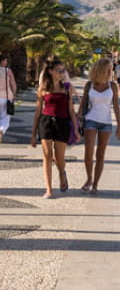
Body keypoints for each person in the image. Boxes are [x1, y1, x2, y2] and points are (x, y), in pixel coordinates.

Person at [31, 57, 78, 198]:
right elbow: (38, 112)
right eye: (59, 71)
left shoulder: (67, 88)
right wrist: (33, 134)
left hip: (62, 123)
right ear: (51, 71)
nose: (62, 73)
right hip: (46, 122)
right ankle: (49, 189)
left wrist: (75, 129)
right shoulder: (43, 89)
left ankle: (62, 172)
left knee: (59, 158)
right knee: (47, 156)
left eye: (63, 71)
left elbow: (71, 111)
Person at [78, 57, 120, 193]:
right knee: (88, 152)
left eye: (111, 69)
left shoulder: (112, 86)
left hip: (106, 123)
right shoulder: (89, 85)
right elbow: (83, 102)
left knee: (100, 155)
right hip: (91, 119)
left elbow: (116, 105)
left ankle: (96, 184)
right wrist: (78, 118)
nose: (111, 71)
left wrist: (119, 125)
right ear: (101, 70)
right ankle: (89, 178)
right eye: (108, 69)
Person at [0, 54, 17, 143]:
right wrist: (14, 94)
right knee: (5, 118)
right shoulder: (8, 71)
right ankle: (1, 130)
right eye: (5, 61)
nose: (6, 62)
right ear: (2, 61)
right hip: (6, 97)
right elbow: (13, 84)